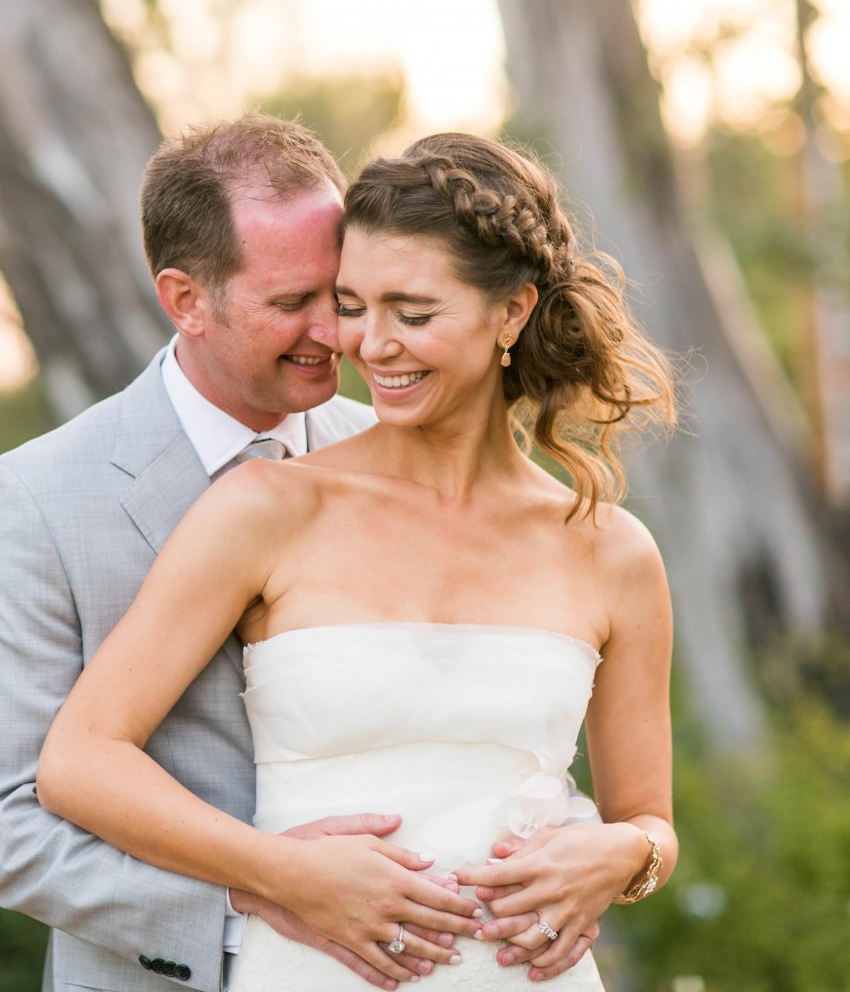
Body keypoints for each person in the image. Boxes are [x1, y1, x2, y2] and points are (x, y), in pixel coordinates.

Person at [37, 132, 678, 990]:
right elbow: (79, 759)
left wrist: (626, 854)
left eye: (413, 313)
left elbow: (650, 820)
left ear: (513, 313)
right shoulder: (268, 507)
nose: (370, 345)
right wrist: (276, 871)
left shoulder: (612, 549)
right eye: (352, 305)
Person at [0, 114, 526, 992]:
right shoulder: (38, 498)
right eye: (291, 303)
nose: (337, 334)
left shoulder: (397, 450)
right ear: (185, 300)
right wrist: (252, 910)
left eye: (342, 294)